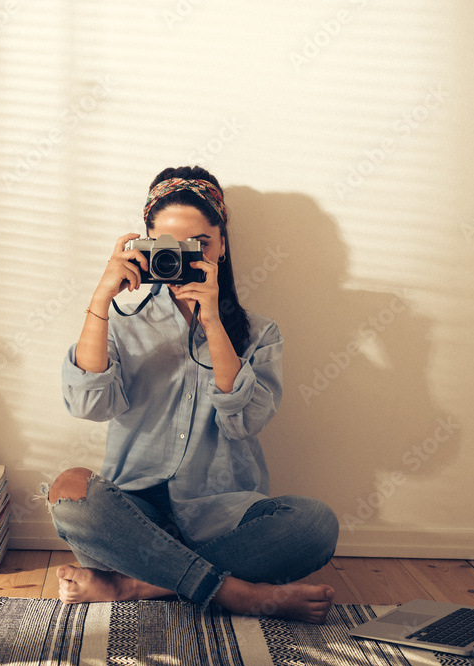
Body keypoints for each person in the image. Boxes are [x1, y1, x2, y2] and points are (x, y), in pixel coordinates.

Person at [46, 166, 339, 623]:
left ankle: (135, 584)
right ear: (144, 245)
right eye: (168, 246)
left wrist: (212, 322)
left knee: (315, 525)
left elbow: (244, 422)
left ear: (222, 244)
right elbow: (89, 404)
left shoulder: (260, 332)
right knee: (68, 490)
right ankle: (236, 593)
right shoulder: (122, 321)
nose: (183, 257)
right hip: (134, 515)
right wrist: (101, 300)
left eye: (198, 244)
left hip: (222, 518)